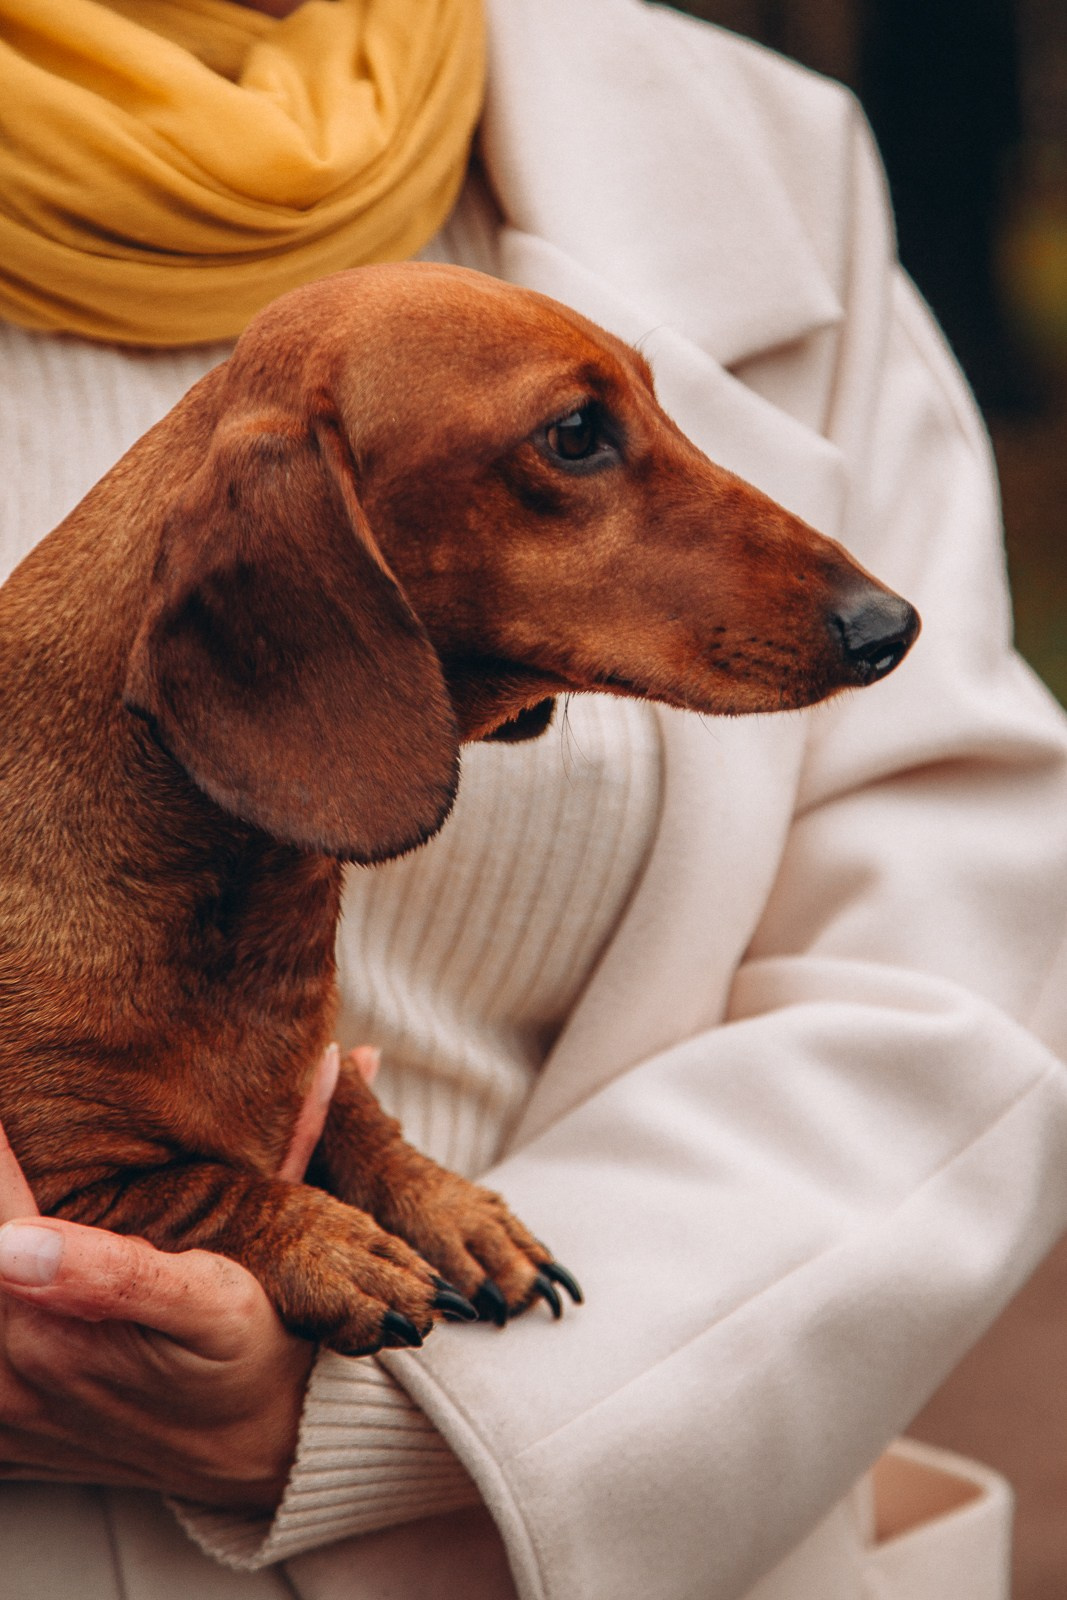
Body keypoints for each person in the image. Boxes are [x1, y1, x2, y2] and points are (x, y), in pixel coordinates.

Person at [2, 1, 1067, 1597]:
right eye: (579, 445)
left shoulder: (753, 145)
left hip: (622, 1509)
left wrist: (418, 1425)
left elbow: (953, 957)